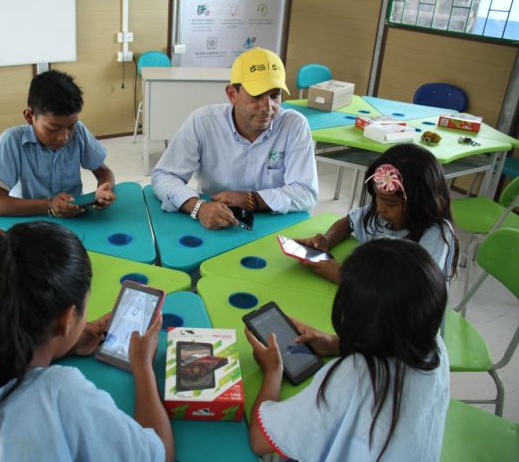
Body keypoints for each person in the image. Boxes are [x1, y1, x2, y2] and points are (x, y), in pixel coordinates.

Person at [0, 222, 174, 462]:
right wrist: (142, 366)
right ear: (65, 321)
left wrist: (67, 344)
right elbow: (158, 455)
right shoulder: (59, 393)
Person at [246, 238, 450, 461]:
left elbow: (260, 440)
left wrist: (273, 371)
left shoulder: (353, 375)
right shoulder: (434, 346)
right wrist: (335, 344)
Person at [151, 47, 318, 230]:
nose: (267, 106)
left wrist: (253, 200)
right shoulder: (203, 122)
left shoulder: (294, 125)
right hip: (215, 223)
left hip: (273, 225)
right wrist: (199, 208)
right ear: (232, 94)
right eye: (256, 96)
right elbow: (164, 176)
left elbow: (306, 193)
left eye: (275, 95)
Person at [297, 143, 458, 284]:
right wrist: (326, 240)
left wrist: (342, 276)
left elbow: (409, 290)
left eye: (390, 204)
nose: (380, 208)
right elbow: (349, 222)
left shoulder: (435, 234)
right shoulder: (379, 215)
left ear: (421, 204)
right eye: (377, 198)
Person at [0, 69, 116, 217]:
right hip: (28, 222)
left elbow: (105, 173)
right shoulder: (12, 140)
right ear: (29, 117)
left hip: (74, 219)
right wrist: (49, 205)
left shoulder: (79, 131)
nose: (64, 137)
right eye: (53, 128)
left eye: (70, 126)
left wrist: (104, 190)